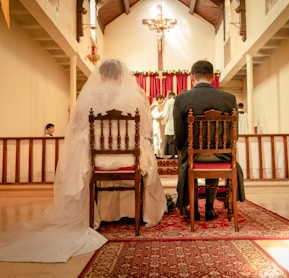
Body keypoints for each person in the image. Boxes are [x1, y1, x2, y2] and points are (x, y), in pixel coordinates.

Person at [0, 58, 167, 263]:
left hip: (96, 159)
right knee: (147, 160)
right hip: (128, 158)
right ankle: (143, 213)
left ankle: (95, 216)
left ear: (101, 74)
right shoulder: (132, 96)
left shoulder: (89, 95)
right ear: (121, 75)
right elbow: (144, 130)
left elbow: (78, 125)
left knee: (82, 156)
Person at [173, 60, 246, 221]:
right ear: (212, 77)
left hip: (194, 156)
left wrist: (183, 148)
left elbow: (179, 135)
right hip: (223, 156)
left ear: (192, 77)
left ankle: (191, 207)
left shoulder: (181, 99)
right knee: (215, 150)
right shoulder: (229, 98)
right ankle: (210, 207)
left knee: (185, 157)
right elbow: (235, 134)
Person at [162, 91, 177, 158]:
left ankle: (171, 154)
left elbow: (166, 113)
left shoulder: (169, 101)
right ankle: (177, 154)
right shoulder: (177, 100)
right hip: (177, 123)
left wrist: (164, 118)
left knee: (169, 139)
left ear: (169, 96)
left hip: (170, 122)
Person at [150, 94, 165, 158]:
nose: (162, 101)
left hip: (160, 125)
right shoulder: (155, 106)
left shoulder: (161, 106)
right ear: (158, 99)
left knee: (160, 140)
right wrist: (163, 113)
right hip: (156, 125)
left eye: (162, 99)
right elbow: (155, 116)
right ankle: (156, 154)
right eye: (161, 99)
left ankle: (160, 154)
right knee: (156, 140)